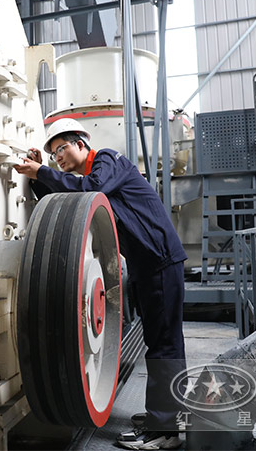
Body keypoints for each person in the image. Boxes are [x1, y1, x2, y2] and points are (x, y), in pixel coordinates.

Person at [14, 118, 187, 451]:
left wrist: (42, 171)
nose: (58, 158)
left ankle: (166, 430)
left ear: (81, 144)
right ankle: (164, 415)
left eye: (61, 149)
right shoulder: (90, 178)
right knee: (160, 343)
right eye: (53, 154)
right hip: (147, 265)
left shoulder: (107, 160)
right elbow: (64, 197)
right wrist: (38, 175)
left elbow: (88, 188)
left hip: (160, 261)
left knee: (165, 346)